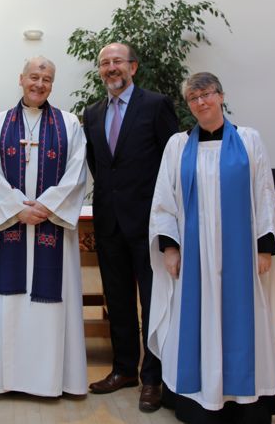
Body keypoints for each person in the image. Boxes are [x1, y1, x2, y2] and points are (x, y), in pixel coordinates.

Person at [148, 72, 275, 423]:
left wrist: (263, 248)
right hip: (195, 257)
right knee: (196, 322)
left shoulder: (248, 140)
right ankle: (199, 401)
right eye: (194, 98)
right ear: (189, 105)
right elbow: (164, 200)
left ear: (221, 96)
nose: (201, 102)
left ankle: (247, 403)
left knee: (244, 321)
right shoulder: (178, 146)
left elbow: (264, 195)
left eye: (207, 94)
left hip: (240, 256)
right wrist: (170, 247)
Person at [0, 56, 87, 397]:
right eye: (34, 77)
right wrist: (15, 209)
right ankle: (3, 379)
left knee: (52, 305)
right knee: (9, 301)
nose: (40, 83)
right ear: (21, 79)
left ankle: (54, 379)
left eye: (47, 79)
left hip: (50, 225)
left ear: (52, 84)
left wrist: (47, 206)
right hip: (15, 224)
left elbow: (77, 171)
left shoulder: (69, 124)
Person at [83, 42, 178, 411]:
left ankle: (153, 378)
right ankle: (124, 369)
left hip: (149, 224)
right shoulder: (92, 113)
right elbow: (98, 164)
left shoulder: (156, 105)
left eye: (118, 61)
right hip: (108, 222)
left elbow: (172, 161)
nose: (111, 68)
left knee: (153, 302)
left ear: (133, 67)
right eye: (104, 62)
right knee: (118, 300)